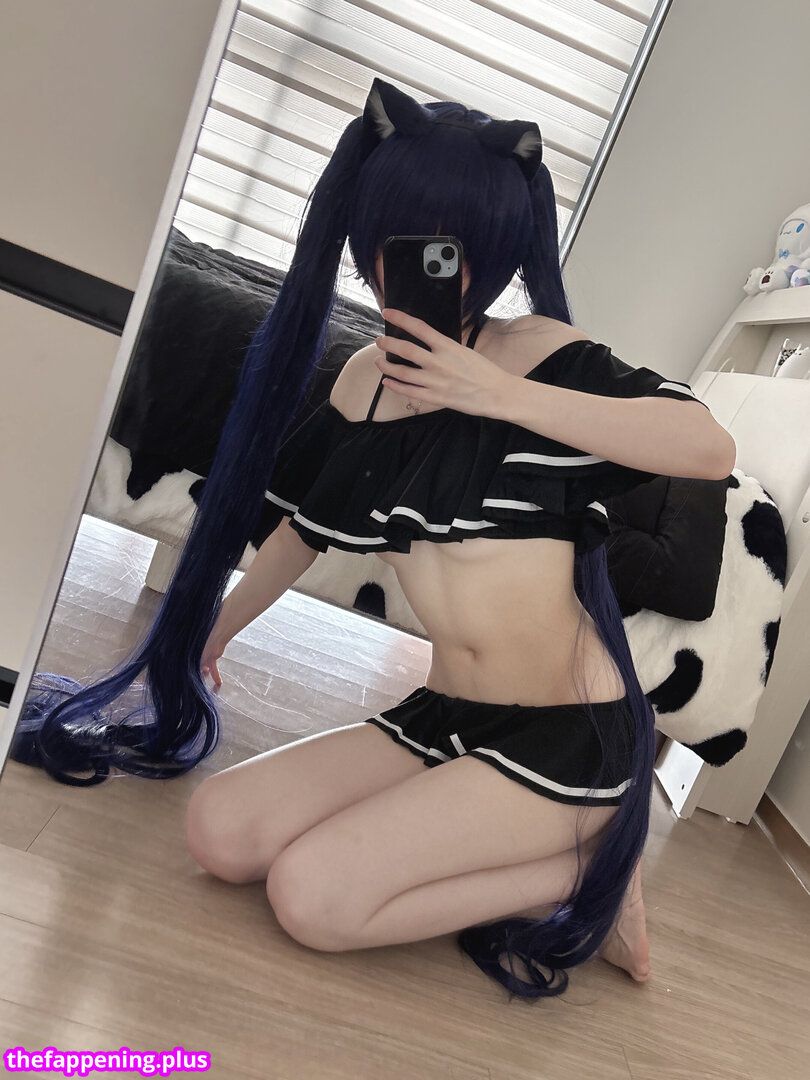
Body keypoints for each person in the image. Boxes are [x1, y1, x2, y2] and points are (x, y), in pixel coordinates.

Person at [13, 78, 735, 1001]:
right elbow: (301, 532)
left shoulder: (543, 354)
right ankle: (494, 832)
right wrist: (211, 633)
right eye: (411, 245)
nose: (438, 275)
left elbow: (709, 449)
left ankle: (590, 866)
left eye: (461, 251)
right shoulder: (365, 378)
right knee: (220, 833)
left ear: (498, 252)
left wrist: (495, 393)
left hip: (570, 736)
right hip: (443, 714)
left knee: (314, 898)